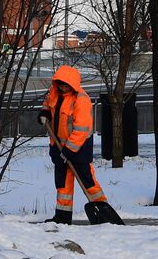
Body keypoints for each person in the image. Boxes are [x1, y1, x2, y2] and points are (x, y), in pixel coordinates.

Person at [37, 65, 108, 224]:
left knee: (87, 180)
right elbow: (47, 104)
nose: (62, 87)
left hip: (79, 148)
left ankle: (102, 210)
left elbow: (81, 130)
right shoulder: (54, 93)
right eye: (60, 84)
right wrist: (44, 113)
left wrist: (69, 150)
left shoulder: (81, 99)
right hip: (58, 146)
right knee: (62, 184)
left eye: (65, 85)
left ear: (73, 84)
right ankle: (62, 216)